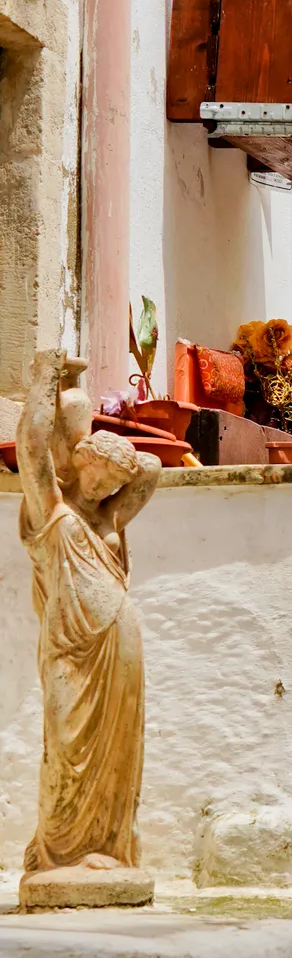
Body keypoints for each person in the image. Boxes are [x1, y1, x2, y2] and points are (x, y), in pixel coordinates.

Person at [15, 349, 160, 878]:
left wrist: (96, 442)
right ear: (78, 463)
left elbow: (151, 468)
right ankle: (57, 855)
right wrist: (47, 379)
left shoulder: (111, 520)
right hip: (71, 649)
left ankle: (107, 850)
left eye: (110, 484)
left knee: (116, 759)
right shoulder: (50, 509)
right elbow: (32, 450)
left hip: (120, 641)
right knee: (66, 747)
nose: (102, 488)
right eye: (96, 475)